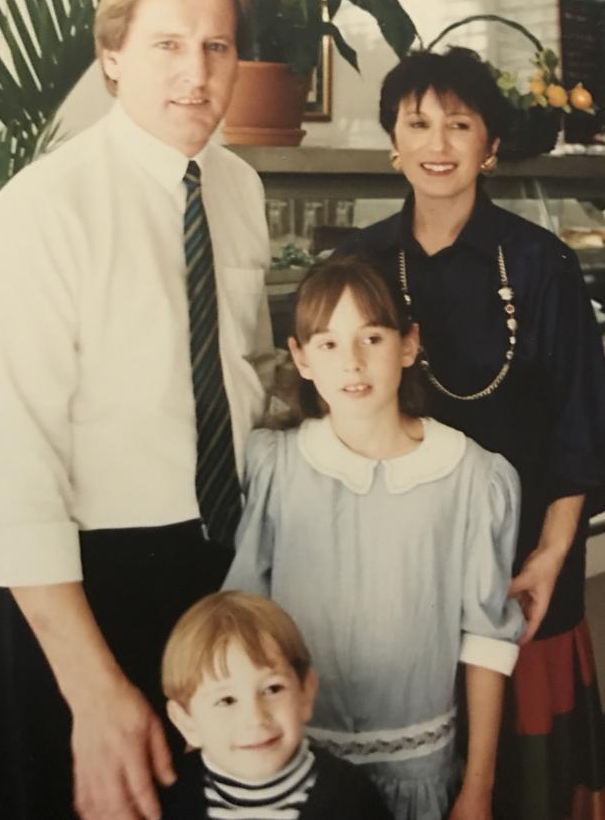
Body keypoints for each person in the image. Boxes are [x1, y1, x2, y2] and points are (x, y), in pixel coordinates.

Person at [0, 0, 274, 819]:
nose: (197, 71)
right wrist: (93, 690)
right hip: (86, 587)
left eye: (218, 46)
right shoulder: (41, 210)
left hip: (219, 573)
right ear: (112, 56)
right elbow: (17, 477)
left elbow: (247, 383)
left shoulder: (239, 188)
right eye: (168, 43)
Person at [337, 47, 605, 820]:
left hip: (525, 556)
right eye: (418, 123)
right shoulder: (362, 262)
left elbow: (582, 423)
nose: (438, 143)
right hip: (396, 557)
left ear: (489, 146)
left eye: (459, 124)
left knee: (522, 783)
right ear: (394, 140)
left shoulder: (541, 263)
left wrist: (553, 553)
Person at [224, 256, 525, 820]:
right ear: (301, 358)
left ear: (410, 346)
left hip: (418, 772)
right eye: (329, 343)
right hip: (295, 772)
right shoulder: (276, 466)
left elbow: (488, 638)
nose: (353, 362)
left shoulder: (472, 477)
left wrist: (477, 787)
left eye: (373, 337)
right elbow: (243, 619)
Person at [159, 590, 393, 820]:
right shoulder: (171, 798)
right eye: (226, 700)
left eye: (272, 689)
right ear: (187, 722)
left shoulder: (351, 798)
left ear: (305, 693)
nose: (255, 717)